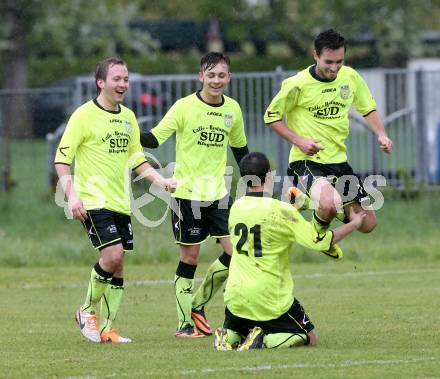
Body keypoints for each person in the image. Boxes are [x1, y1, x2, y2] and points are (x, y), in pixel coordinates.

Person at [54, 57, 176, 343]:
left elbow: (138, 160)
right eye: (117, 79)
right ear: (101, 83)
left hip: (121, 202)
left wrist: (162, 182)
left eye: (125, 79)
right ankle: (85, 310)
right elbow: (61, 160)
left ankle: (108, 328)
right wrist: (73, 197)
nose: (123, 84)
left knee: (119, 265)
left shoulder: (128, 117)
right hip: (93, 201)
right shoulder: (83, 116)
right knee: (113, 256)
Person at [140, 52, 249, 337]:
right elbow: (153, 139)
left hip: (220, 194)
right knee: (190, 258)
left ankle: (198, 305)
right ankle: (184, 324)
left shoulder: (232, 110)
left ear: (229, 78)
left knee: (235, 253)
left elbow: (241, 152)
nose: (216, 80)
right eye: (210, 75)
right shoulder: (183, 107)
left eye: (221, 75)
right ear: (201, 76)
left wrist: (257, 184)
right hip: (186, 195)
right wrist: (128, 130)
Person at [214, 152, 366, 351]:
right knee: (309, 337)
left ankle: (228, 336)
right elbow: (319, 241)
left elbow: (266, 220)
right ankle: (262, 339)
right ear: (269, 174)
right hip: (268, 297)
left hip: (236, 296)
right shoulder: (280, 211)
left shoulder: (236, 207)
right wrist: (353, 224)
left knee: (239, 327)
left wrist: (295, 209)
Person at [264, 29, 393, 248]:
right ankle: (320, 239)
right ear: (315, 55)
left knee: (367, 223)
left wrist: (382, 134)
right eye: (328, 62)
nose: (334, 68)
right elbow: (271, 117)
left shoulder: (350, 77)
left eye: (339, 61)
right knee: (329, 202)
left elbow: (368, 109)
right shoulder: (297, 84)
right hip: (306, 161)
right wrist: (300, 141)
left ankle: (304, 201)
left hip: (339, 162)